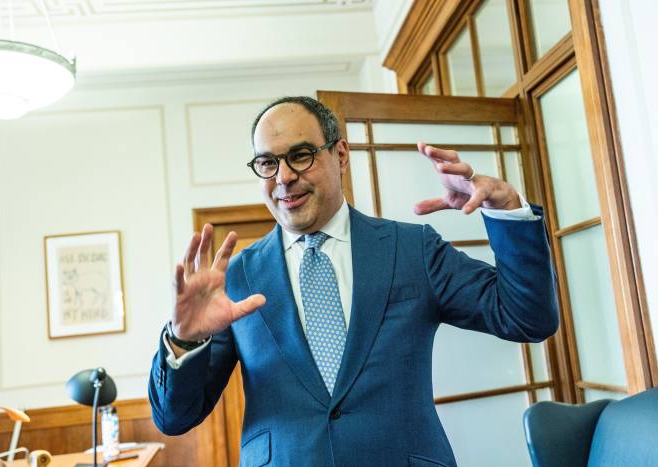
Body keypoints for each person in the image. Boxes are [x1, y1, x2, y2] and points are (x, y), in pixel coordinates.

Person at [148, 96, 558, 467]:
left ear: (340, 154)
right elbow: (175, 417)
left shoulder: (411, 249)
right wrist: (183, 340)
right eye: (268, 163)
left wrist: (506, 209)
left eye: (302, 155)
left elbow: (526, 317)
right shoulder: (236, 276)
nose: (284, 177)